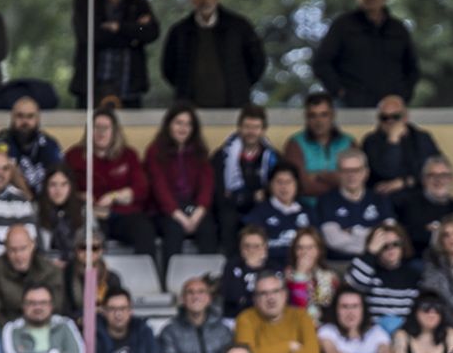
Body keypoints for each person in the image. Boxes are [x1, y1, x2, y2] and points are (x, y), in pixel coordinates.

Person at [67, 107, 158, 260]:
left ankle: (145, 277)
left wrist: (114, 196)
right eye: (96, 127)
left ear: (114, 131)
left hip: (122, 214)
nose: (101, 132)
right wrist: (81, 196)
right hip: (90, 216)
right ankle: (93, 281)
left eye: (105, 128)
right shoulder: (74, 156)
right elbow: (63, 188)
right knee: (89, 238)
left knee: (144, 230)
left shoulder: (129, 155)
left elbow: (141, 189)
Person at [314, 0, 420, 109]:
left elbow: (412, 69)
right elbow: (322, 63)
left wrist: (402, 95)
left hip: (390, 111)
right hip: (350, 107)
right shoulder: (343, 26)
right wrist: (339, 92)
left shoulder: (398, 29)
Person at [160, 0, 265, 110]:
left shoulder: (238, 27)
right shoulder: (180, 32)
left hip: (234, 105)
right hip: (191, 111)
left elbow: (257, 62)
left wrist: (240, 86)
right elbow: (168, 68)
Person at [145, 102, 219, 260]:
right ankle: (170, 280)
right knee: (174, 229)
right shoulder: (155, 151)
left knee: (207, 227)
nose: (183, 128)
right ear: (169, 125)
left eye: (188, 124)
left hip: (192, 208)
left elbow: (207, 185)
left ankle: (209, 280)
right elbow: (159, 187)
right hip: (164, 210)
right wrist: (179, 216)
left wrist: (198, 213)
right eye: (179, 123)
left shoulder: (199, 151)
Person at [72, 0, 159, 109]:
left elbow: (150, 32)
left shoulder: (138, 2)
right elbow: (90, 35)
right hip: (93, 85)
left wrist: (119, 27)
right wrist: (133, 34)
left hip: (129, 86)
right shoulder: (86, 0)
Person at [234, 273, 320, 353]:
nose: (271, 298)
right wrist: (288, 347)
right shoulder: (245, 319)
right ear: (255, 299)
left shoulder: (301, 316)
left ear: (285, 294)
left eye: (276, 291)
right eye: (263, 293)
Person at [212, 105, 277, 246]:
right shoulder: (222, 155)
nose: (251, 132)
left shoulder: (272, 157)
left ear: (263, 130)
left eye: (256, 127)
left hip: (260, 208)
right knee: (227, 220)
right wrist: (252, 196)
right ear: (239, 128)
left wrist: (245, 196)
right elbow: (219, 194)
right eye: (247, 127)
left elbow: (274, 191)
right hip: (230, 210)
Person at [316, 149, 393, 262]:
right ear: (338, 173)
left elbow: (389, 235)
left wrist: (352, 232)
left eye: (356, 170)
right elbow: (334, 241)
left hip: (376, 262)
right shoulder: (326, 201)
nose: (351, 175)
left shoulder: (380, 199)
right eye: (346, 170)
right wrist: (371, 243)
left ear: (366, 172)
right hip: (340, 264)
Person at [345, 222, 421, 333]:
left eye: (395, 244)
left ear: (403, 245)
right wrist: (370, 252)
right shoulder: (368, 270)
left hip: (404, 334)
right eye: (384, 246)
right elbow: (354, 284)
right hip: (372, 334)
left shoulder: (413, 275)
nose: (391, 249)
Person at [396, 156, 453, 256]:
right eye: (432, 175)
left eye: (444, 175)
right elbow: (409, 236)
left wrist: (435, 232)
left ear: (451, 179)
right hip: (423, 261)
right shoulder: (410, 206)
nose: (439, 180)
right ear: (424, 180)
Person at [0, 224, 60, 326]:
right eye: (13, 250)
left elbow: (56, 307)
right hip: (8, 328)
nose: (18, 256)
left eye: (23, 249)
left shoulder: (49, 270)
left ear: (33, 245)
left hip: (44, 326)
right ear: (5, 248)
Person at [360, 96, 439, 197]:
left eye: (395, 117)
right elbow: (386, 172)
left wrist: (404, 182)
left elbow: (435, 169)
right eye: (384, 118)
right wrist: (393, 141)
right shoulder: (371, 141)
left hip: (418, 196)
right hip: (384, 198)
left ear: (405, 117)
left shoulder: (421, 138)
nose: (390, 121)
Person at [282, 92, 354, 200]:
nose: (319, 121)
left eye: (324, 114)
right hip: (307, 211)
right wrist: (337, 179)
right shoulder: (295, 144)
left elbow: (355, 182)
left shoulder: (348, 143)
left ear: (333, 115)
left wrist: (320, 176)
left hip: (343, 209)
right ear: (306, 117)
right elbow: (301, 186)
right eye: (313, 115)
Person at [160, 277, 232, 353]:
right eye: (190, 292)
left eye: (201, 292)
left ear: (209, 298)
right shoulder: (170, 331)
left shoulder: (223, 330)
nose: (195, 296)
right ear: (183, 299)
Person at [0, 96, 61, 195]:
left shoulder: (48, 143)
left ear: (38, 119)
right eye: (20, 116)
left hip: (44, 202)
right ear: (12, 118)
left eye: (30, 116)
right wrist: (30, 201)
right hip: (10, 201)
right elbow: (8, 171)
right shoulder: (3, 141)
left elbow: (59, 173)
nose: (25, 122)